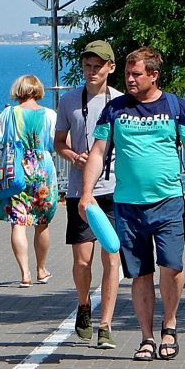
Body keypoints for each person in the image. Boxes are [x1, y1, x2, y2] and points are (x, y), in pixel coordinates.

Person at [78, 47, 185, 362]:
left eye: (137, 74)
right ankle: (147, 337)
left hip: (168, 202)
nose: (130, 80)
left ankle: (170, 326)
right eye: (127, 74)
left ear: (153, 74)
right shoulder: (115, 109)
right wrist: (86, 193)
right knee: (140, 273)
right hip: (128, 205)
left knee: (172, 267)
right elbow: (97, 152)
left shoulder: (176, 107)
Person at [54, 40, 122, 349]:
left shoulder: (122, 101)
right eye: (87, 66)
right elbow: (58, 142)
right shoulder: (69, 101)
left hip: (114, 191)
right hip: (79, 191)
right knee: (83, 262)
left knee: (112, 258)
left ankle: (106, 323)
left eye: (98, 67)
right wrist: (72, 156)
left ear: (110, 68)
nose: (92, 72)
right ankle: (84, 306)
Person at [0, 75, 57, 287]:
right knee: (42, 223)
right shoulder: (50, 115)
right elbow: (58, 142)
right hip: (43, 171)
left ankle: (25, 274)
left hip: (16, 171)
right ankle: (41, 269)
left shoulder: (8, 113)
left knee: (18, 223)